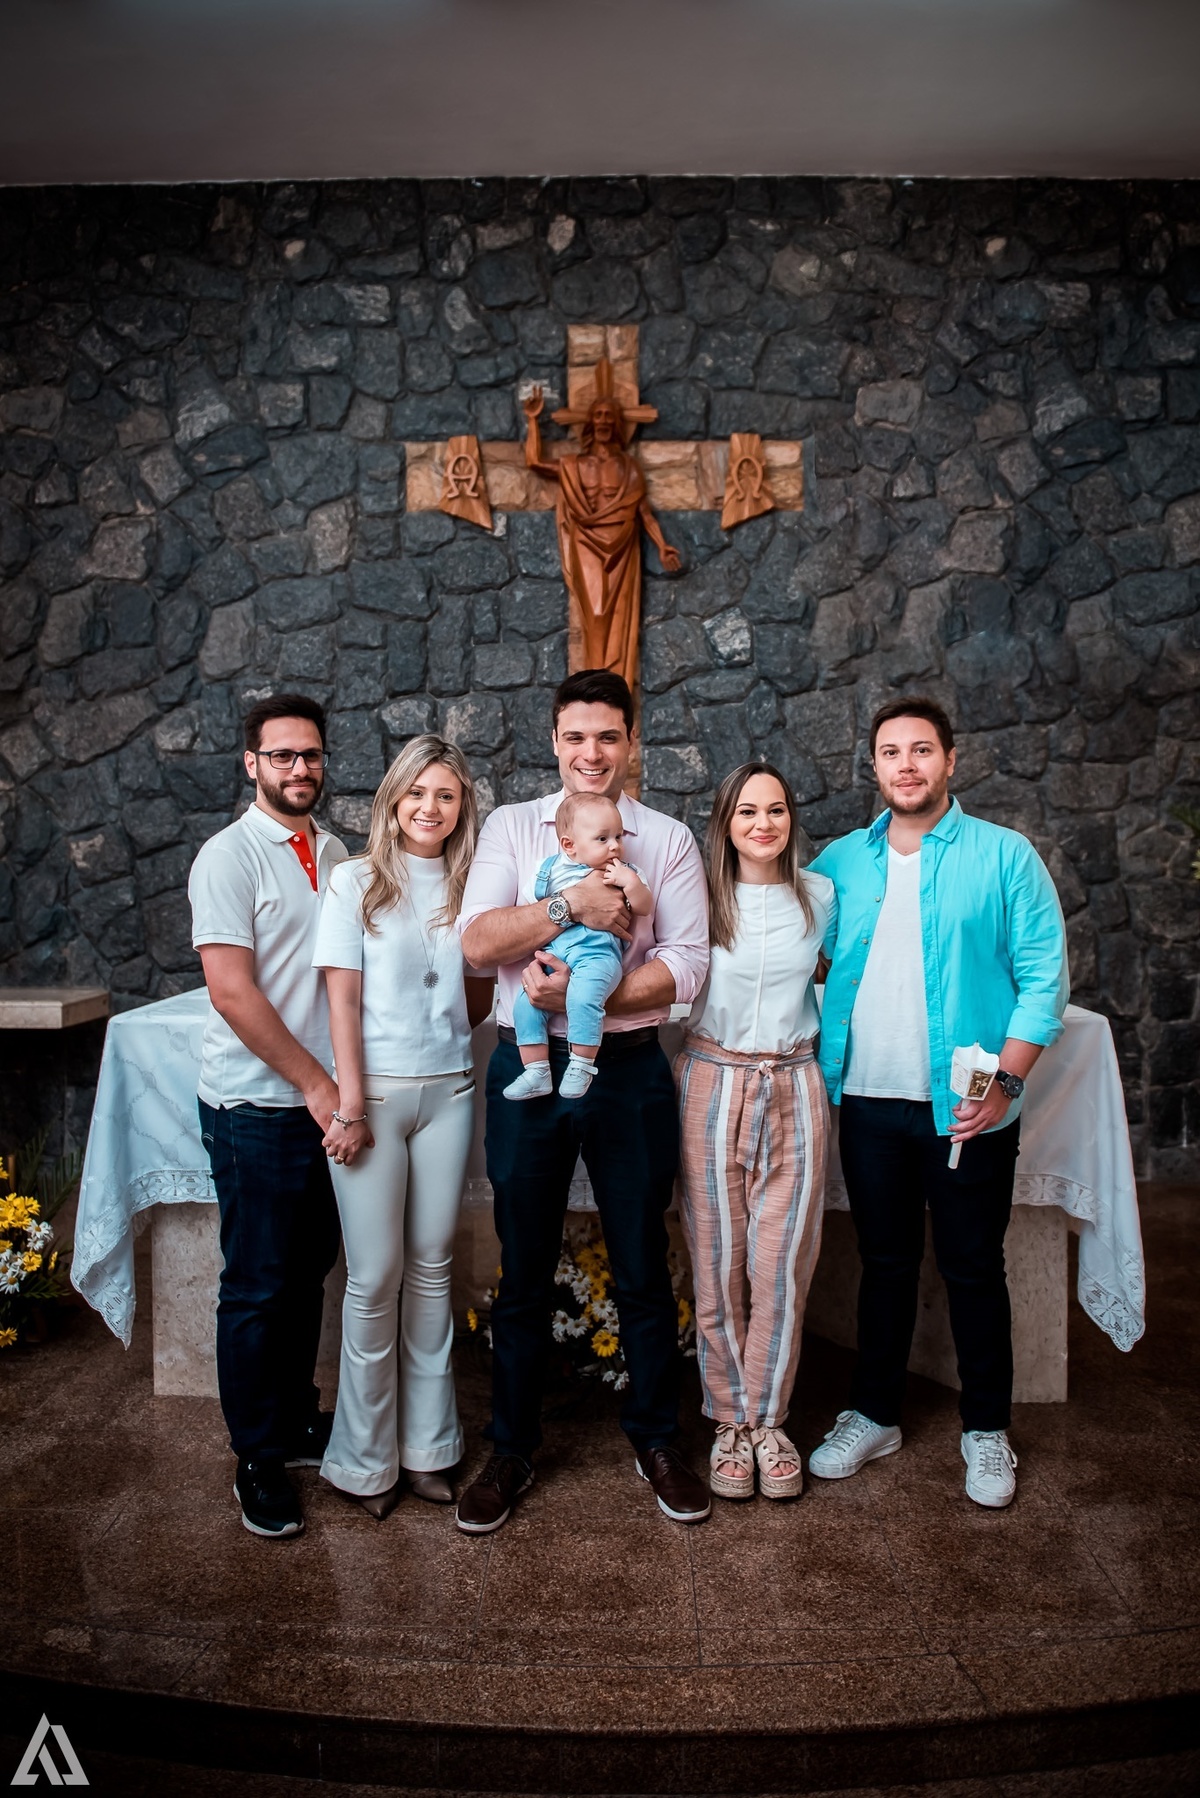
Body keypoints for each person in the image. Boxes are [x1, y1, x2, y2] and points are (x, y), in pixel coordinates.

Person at [453, 668, 711, 1533]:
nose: (591, 753)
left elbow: (687, 966)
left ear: (631, 742)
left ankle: (657, 1439)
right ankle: (511, 1446)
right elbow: (480, 936)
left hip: (629, 1070)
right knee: (520, 1267)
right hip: (526, 1073)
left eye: (608, 736)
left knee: (641, 1259)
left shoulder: (666, 839)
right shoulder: (511, 826)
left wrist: (586, 1001)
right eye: (575, 737)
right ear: (554, 741)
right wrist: (568, 903)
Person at [807, 698, 1069, 1509]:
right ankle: (874, 1413)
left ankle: (986, 1430)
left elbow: (1043, 978)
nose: (907, 766)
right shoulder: (839, 862)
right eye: (892, 752)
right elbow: (801, 962)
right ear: (876, 767)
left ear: (951, 760)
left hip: (967, 1110)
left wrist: (1006, 1088)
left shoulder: (1005, 856)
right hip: (870, 1102)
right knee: (884, 1264)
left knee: (971, 1267)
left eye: (922, 750)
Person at [312, 736, 493, 1520]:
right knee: (373, 1274)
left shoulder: (473, 887)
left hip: (449, 1091)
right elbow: (341, 1004)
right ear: (392, 799)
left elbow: (478, 996)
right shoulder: (354, 881)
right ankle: (361, 1460)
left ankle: (428, 1450)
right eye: (417, 793)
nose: (430, 808)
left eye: (447, 796)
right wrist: (350, 1105)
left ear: (463, 808)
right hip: (376, 1099)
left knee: (431, 1268)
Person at [189, 694, 347, 1539]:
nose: (299, 769)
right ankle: (254, 1455)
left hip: (326, 1102)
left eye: (311, 755)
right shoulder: (229, 856)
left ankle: (293, 1422)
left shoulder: (335, 849)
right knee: (256, 1283)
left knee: (308, 1269)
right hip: (258, 1104)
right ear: (251, 763)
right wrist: (318, 1084)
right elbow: (231, 991)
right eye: (282, 756)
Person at [676, 763, 835, 1502]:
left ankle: (770, 1421)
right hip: (714, 1077)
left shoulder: (821, 898)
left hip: (795, 1083)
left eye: (776, 810)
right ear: (726, 823)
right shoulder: (701, 900)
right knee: (717, 1264)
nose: (763, 824)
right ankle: (728, 1424)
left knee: (780, 1266)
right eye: (747, 812)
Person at [504, 791, 652, 1102]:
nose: (614, 845)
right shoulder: (548, 870)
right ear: (569, 845)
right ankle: (536, 1070)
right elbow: (529, 912)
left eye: (618, 836)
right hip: (554, 954)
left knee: (585, 996)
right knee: (525, 1002)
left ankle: (583, 1064)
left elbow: (643, 907)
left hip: (597, 956)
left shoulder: (625, 872)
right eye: (602, 838)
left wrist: (631, 884)